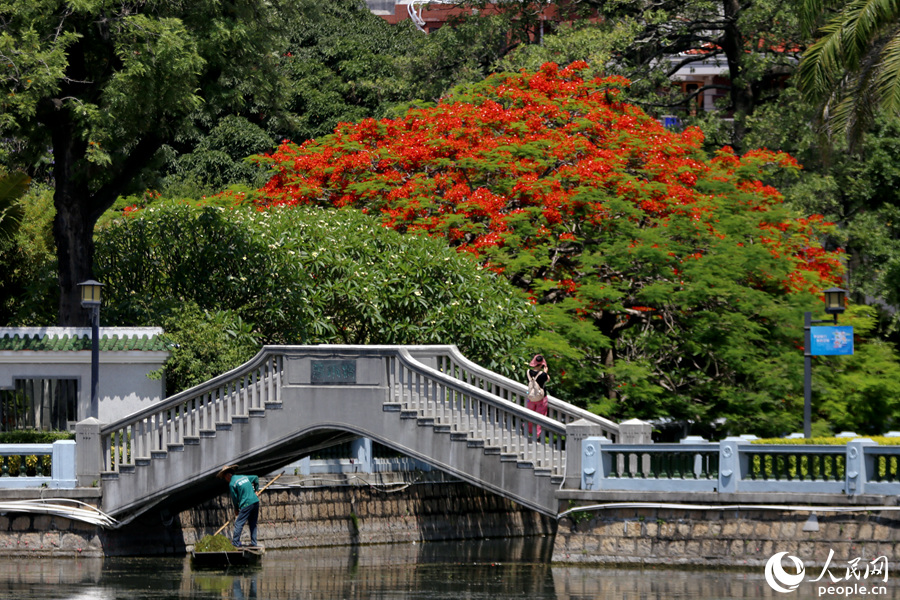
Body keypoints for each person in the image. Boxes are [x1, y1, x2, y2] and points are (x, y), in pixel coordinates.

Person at [217, 464, 260, 548]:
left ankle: (235, 543)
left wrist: (236, 509)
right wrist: (256, 491)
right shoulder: (243, 477)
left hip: (247, 504)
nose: (225, 479)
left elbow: (235, 499)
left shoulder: (232, 484)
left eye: (225, 477)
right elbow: (255, 478)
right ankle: (254, 543)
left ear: (228, 475)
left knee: (238, 523)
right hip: (255, 502)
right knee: (253, 523)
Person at [525, 354, 550, 436]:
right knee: (540, 417)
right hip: (541, 399)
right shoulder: (543, 374)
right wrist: (545, 372)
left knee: (529, 415)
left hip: (531, 397)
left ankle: (527, 431)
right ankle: (537, 434)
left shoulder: (528, 372)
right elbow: (548, 379)